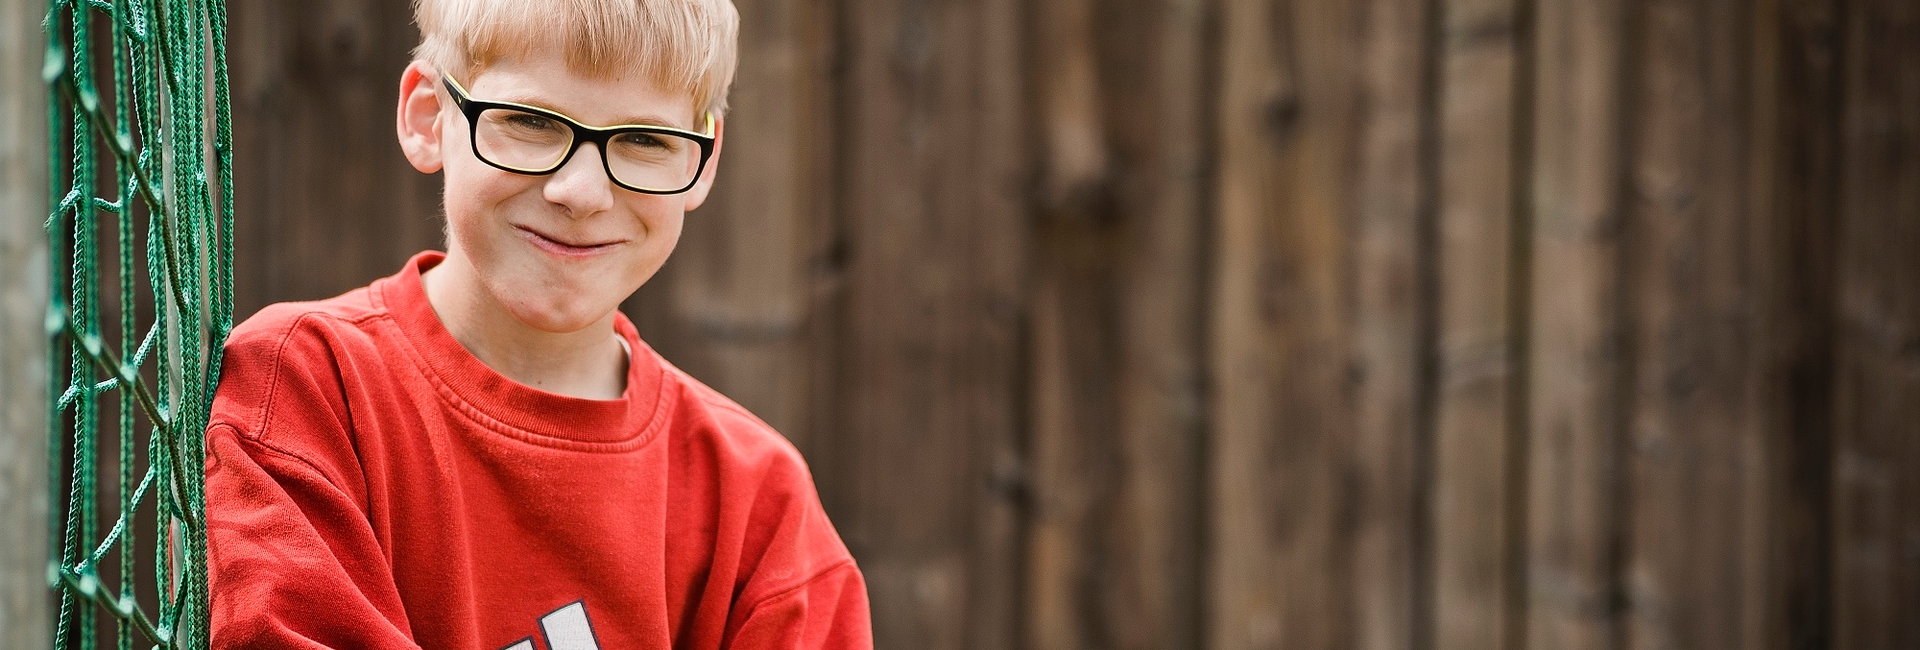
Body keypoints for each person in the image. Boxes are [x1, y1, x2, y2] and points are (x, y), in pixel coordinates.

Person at [203, 0, 871, 647]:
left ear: (703, 160)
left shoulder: (761, 504)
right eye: (531, 121)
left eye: (644, 139)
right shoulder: (303, 390)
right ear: (429, 116)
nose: (581, 194)